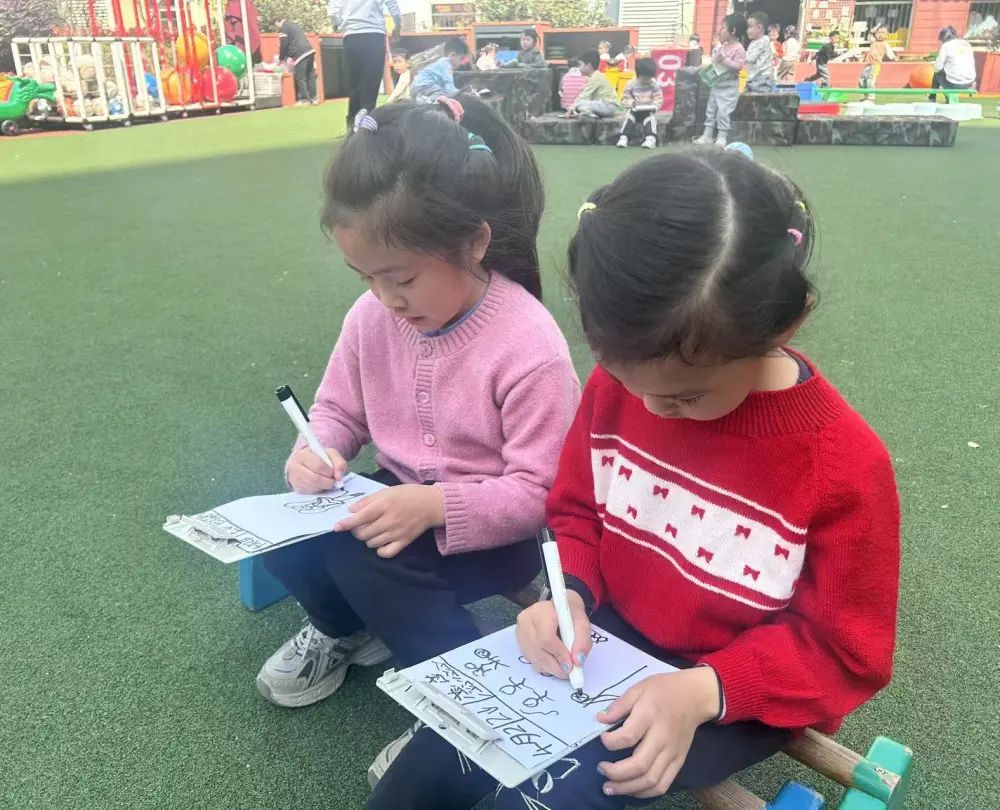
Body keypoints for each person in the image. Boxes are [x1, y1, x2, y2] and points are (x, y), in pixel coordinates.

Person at [367, 147, 900, 810]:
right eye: (625, 379)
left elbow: (846, 651)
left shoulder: (844, 465)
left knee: (551, 797)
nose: (650, 408)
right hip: (611, 637)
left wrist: (706, 690)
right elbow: (576, 513)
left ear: (786, 325)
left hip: (732, 692)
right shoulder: (618, 387)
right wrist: (568, 596)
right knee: (437, 755)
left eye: (685, 397)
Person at [256, 97, 581, 771]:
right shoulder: (371, 316)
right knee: (290, 530)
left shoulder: (528, 345)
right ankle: (346, 629)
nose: (385, 297)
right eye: (366, 277)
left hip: (499, 535)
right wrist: (316, 452)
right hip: (400, 497)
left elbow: (541, 493)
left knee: (365, 560)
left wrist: (434, 506)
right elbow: (337, 411)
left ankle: (457, 706)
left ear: (475, 243)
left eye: (400, 277)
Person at [328, 0, 402, 127]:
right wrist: (397, 26)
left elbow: (333, 11)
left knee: (354, 86)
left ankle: (352, 127)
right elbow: (392, 5)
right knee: (370, 87)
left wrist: (341, 25)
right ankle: (366, 127)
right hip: (375, 34)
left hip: (352, 36)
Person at [696, 13, 747, 146]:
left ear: (733, 31)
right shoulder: (721, 47)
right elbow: (715, 63)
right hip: (717, 85)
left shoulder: (739, 48)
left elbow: (739, 66)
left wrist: (724, 60)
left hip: (729, 87)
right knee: (710, 110)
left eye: (723, 28)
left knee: (724, 112)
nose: (720, 31)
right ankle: (707, 134)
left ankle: (722, 136)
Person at [617, 57, 663, 149]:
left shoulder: (654, 84)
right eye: (644, 78)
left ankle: (650, 139)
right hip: (635, 110)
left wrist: (655, 106)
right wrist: (631, 103)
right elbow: (626, 97)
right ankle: (624, 137)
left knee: (650, 119)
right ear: (638, 75)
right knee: (629, 117)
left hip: (648, 110)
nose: (647, 81)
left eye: (649, 78)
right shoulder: (631, 84)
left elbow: (658, 98)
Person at [566, 50, 621, 119]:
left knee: (580, 103)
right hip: (606, 106)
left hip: (609, 106)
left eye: (580, 65)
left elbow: (583, 95)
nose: (579, 68)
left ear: (588, 66)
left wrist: (571, 108)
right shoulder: (592, 77)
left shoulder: (596, 76)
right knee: (582, 104)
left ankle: (589, 115)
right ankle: (588, 114)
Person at [410, 37, 469, 103]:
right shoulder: (447, 66)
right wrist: (464, 93)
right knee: (444, 95)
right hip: (424, 86)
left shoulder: (440, 63)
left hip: (416, 87)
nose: (461, 63)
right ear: (452, 55)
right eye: (461, 59)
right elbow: (450, 89)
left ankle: (423, 100)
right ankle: (427, 102)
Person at [930, 26, 976, 102]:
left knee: (937, 73)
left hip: (954, 84)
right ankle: (970, 87)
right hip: (970, 81)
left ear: (943, 38)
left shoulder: (946, 46)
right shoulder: (966, 44)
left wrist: (933, 64)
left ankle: (932, 98)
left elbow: (938, 67)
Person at [276, 18, 317, 105]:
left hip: (300, 53)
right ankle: (314, 98)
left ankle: (304, 99)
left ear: (277, 22)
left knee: (301, 77)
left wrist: (281, 57)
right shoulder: (294, 25)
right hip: (309, 50)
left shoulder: (284, 28)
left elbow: (284, 43)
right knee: (310, 75)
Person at [859, 25, 896, 102]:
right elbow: (869, 38)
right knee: (861, 80)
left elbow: (890, 53)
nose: (880, 34)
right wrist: (871, 32)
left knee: (870, 81)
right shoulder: (873, 41)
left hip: (875, 65)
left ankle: (870, 98)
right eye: (878, 32)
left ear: (887, 35)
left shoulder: (885, 44)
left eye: (883, 33)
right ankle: (864, 96)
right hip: (868, 64)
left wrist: (894, 58)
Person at [745, 12, 775, 92]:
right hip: (755, 77)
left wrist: (737, 56)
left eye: (750, 27)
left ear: (759, 27)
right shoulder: (753, 42)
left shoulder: (763, 41)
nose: (747, 30)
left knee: (760, 98)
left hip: (763, 78)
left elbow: (750, 58)